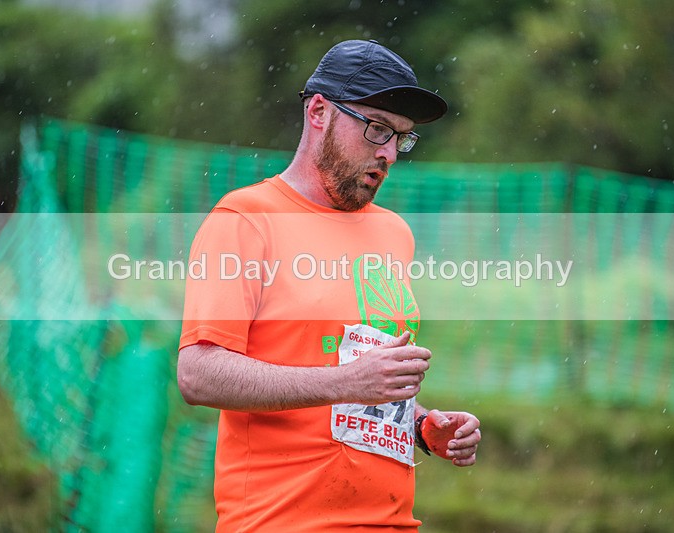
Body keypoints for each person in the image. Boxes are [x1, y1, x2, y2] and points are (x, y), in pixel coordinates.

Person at [178, 39, 481, 531]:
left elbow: (366, 384)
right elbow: (198, 373)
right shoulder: (246, 219)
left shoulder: (393, 234)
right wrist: (345, 382)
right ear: (319, 112)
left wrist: (425, 426)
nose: (388, 153)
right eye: (376, 129)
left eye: (400, 138)